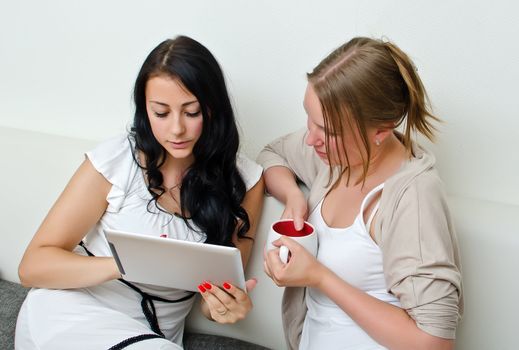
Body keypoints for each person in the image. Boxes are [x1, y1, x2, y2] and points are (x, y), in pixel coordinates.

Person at [15, 35, 264, 350]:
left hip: (152, 337)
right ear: (145, 111)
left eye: (191, 112)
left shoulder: (245, 182)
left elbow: (214, 296)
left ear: (214, 109)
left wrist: (224, 306)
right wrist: (127, 263)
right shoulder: (116, 161)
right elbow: (32, 266)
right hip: (69, 312)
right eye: (161, 113)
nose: (176, 129)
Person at [259, 37, 463, 350]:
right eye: (310, 120)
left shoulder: (414, 198)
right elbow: (272, 154)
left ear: (382, 130)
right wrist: (294, 197)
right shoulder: (337, 158)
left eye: (328, 130)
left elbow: (433, 342)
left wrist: (319, 277)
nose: (311, 139)